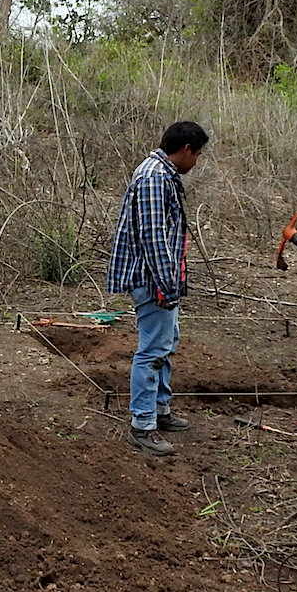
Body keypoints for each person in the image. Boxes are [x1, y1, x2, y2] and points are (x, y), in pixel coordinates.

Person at [106, 121, 209, 456]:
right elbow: (153, 237)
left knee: (166, 344)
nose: (196, 163)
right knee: (152, 351)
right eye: (197, 155)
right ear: (186, 149)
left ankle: (160, 411)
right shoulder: (154, 176)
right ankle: (142, 424)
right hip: (151, 278)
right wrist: (167, 284)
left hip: (159, 276)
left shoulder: (162, 173)